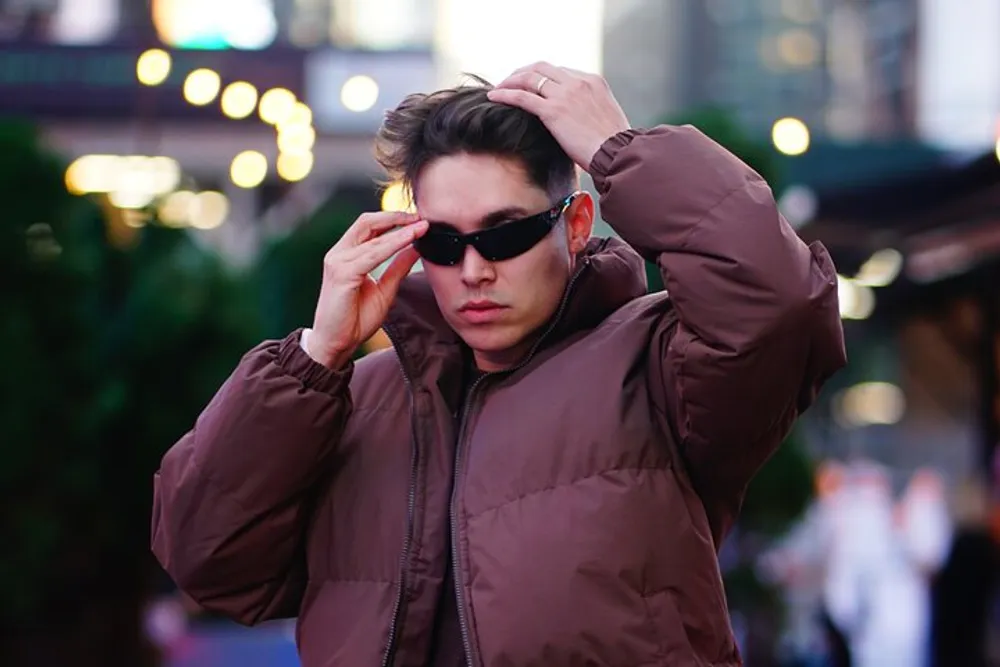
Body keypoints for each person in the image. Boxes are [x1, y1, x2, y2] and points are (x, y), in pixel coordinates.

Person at [151, 63, 847, 667]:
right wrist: (314, 358)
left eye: (506, 233)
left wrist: (618, 151)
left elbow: (778, 305)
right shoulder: (349, 399)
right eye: (444, 243)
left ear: (575, 225)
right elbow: (205, 557)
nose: (475, 270)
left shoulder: (657, 363)